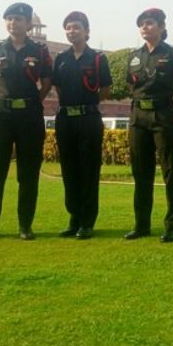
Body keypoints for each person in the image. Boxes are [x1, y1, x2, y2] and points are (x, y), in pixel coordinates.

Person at [0, 2, 52, 241]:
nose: (13, 23)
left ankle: (25, 226)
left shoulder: (39, 51)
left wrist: (31, 101)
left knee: (28, 174)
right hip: (0, 117)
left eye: (18, 19)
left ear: (29, 23)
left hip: (29, 117)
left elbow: (47, 82)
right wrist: (4, 100)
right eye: (9, 18)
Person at [124, 8, 173, 242]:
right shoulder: (134, 57)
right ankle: (141, 224)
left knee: (171, 171)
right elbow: (130, 87)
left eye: (151, 23)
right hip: (138, 118)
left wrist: (172, 109)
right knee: (141, 172)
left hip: (164, 115)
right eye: (142, 23)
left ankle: (172, 225)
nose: (145, 27)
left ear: (162, 27)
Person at [52, 12, 112, 240]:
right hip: (66, 118)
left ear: (87, 31)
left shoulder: (97, 59)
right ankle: (74, 217)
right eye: (67, 27)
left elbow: (105, 90)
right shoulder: (61, 59)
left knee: (88, 169)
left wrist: (86, 103)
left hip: (88, 118)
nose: (71, 31)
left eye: (76, 27)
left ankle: (87, 221)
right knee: (69, 170)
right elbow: (57, 88)